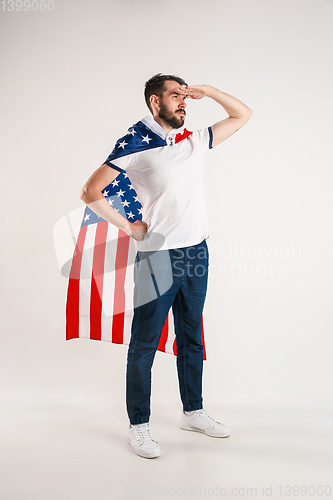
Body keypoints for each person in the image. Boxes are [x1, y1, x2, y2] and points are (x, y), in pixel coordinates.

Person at [79, 73, 253, 459]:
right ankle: (138, 425)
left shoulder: (193, 140)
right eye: (175, 96)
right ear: (155, 102)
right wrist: (129, 226)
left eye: (185, 96)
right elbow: (90, 191)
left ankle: (193, 411)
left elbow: (243, 115)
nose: (183, 102)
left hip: (196, 253)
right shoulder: (135, 143)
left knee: (192, 336)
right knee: (144, 343)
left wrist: (208, 92)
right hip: (157, 256)